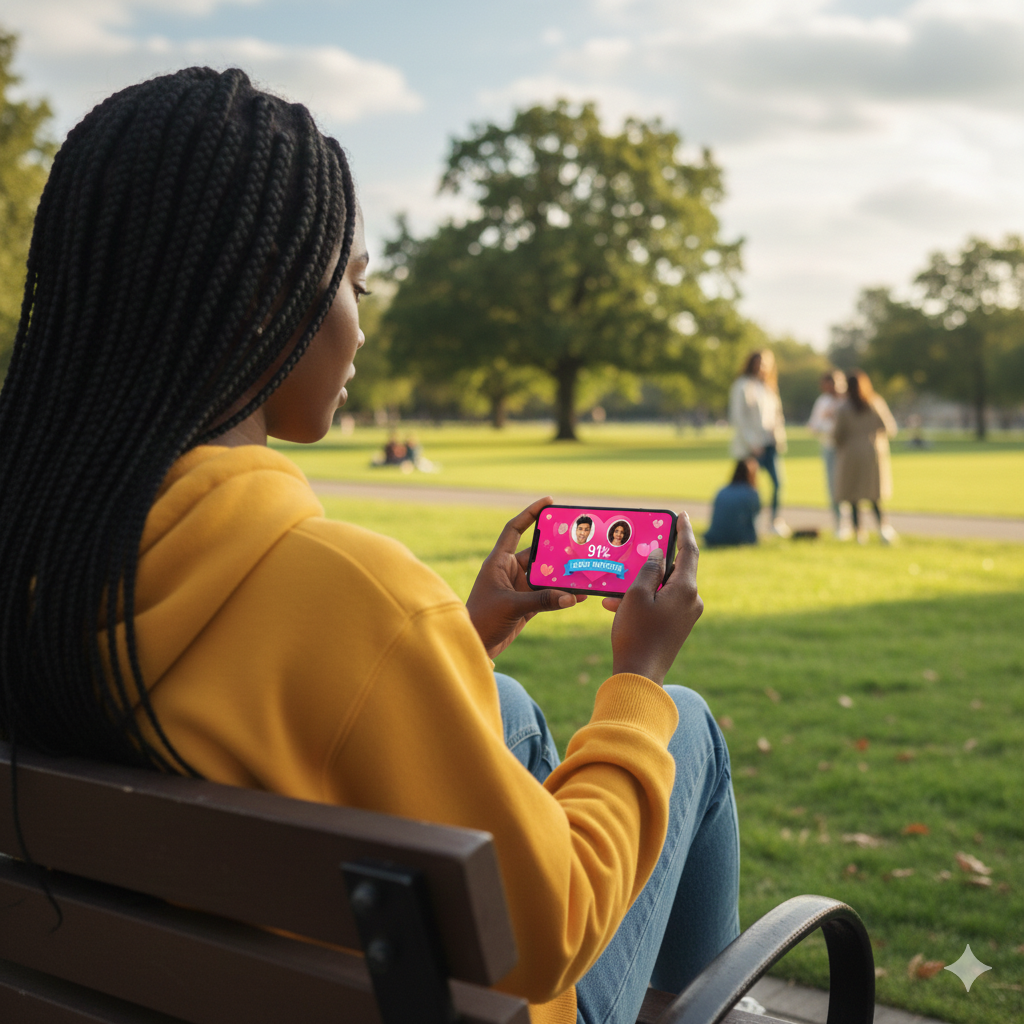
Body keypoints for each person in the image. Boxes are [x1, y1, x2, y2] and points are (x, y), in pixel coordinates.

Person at [0, 69, 741, 1024]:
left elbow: (251, 724)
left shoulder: (44, 552)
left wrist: (453, 640)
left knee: (503, 704)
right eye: (354, 285)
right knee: (684, 725)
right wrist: (635, 677)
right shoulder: (352, 595)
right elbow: (550, 928)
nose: (362, 325)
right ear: (270, 305)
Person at [728, 350, 789, 537]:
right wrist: (752, 443)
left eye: (765, 363)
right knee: (748, 487)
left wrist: (779, 438)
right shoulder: (742, 386)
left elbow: (777, 417)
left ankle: (774, 521)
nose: (761, 367)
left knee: (778, 483)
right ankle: (748, 524)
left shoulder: (769, 387)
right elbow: (738, 417)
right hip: (750, 447)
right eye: (758, 362)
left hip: (770, 444)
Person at [834, 369, 899, 544]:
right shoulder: (875, 402)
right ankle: (883, 530)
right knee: (873, 495)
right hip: (872, 451)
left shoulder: (844, 407)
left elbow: (837, 435)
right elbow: (889, 427)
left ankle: (859, 534)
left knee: (854, 496)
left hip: (851, 453)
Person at [807, 370, 848, 538]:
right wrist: (826, 418)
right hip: (830, 447)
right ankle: (839, 523)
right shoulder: (823, 402)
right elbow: (813, 427)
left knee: (851, 486)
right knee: (833, 487)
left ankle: (854, 523)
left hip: (848, 448)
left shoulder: (848, 400)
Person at [704, 460, 761, 548]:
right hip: (738, 538)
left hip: (714, 537)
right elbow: (753, 519)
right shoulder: (751, 493)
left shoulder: (722, 491)